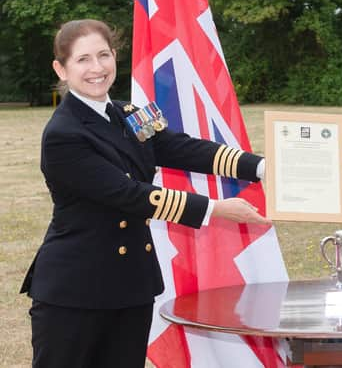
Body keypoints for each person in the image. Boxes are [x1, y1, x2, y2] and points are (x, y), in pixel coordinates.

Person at [20, 19, 270, 368]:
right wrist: (215, 208)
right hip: (75, 290)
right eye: (83, 60)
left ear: (115, 57)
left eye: (103, 55)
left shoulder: (129, 114)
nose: (97, 68)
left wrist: (261, 167)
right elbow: (128, 194)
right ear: (61, 68)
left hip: (131, 283)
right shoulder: (64, 133)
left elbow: (181, 148)